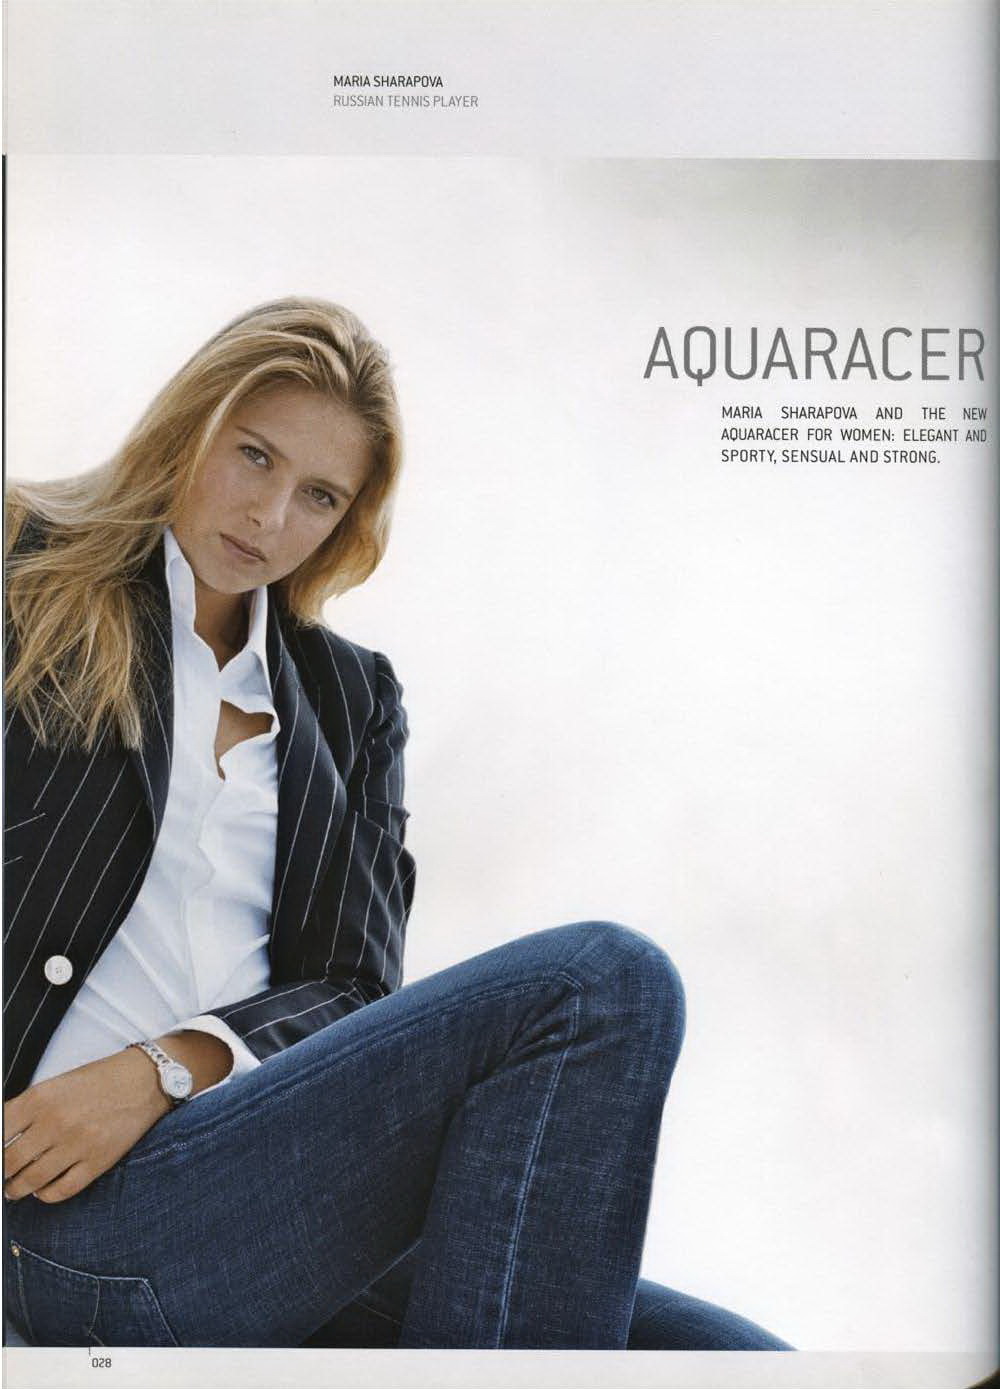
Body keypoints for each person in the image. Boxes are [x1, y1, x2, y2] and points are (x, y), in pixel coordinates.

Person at [3, 298, 790, 1350]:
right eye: (253, 456)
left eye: (318, 495)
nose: (269, 515)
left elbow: (356, 984)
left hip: (251, 1185)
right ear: (190, 425)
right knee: (603, 981)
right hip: (60, 1215)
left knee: (731, 1359)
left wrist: (167, 1066)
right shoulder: (30, 575)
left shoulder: (349, 699)